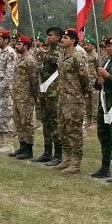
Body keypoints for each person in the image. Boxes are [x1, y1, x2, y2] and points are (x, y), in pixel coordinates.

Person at [48, 29, 90, 173]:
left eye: (66, 38)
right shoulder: (62, 55)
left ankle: (76, 162)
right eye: (63, 38)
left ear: (73, 40)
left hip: (74, 99)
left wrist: (82, 93)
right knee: (63, 130)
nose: (62, 40)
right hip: (62, 98)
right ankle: (66, 159)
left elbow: (84, 78)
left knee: (74, 131)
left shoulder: (78, 57)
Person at [90, 36, 112, 179]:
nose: (107, 49)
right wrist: (98, 82)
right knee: (104, 137)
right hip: (104, 105)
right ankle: (105, 168)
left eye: (110, 46)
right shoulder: (105, 63)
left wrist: (108, 76)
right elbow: (98, 85)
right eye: (106, 46)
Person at [34, 27, 63, 163]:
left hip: (54, 91)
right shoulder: (49, 50)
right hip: (45, 91)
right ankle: (47, 151)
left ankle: (58, 154)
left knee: (54, 122)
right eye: (47, 35)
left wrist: (42, 55)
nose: (47, 37)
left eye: (50, 35)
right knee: (45, 121)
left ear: (57, 37)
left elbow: (57, 62)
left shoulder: (59, 50)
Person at [10, 35, 39, 159]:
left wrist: (35, 95)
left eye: (19, 44)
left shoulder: (30, 60)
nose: (16, 46)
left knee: (26, 122)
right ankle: (22, 146)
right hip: (17, 95)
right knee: (19, 122)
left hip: (26, 95)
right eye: (16, 44)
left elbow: (34, 79)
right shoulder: (20, 58)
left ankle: (28, 149)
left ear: (26, 46)